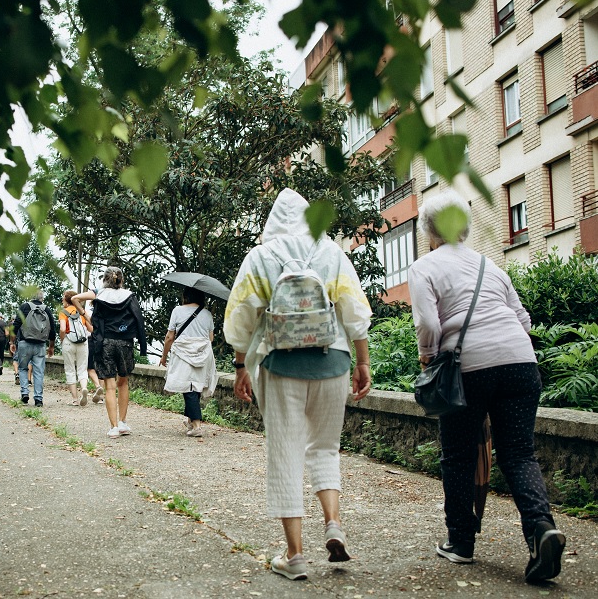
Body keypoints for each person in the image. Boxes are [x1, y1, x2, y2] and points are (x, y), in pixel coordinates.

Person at [407, 190, 565, 583]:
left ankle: (460, 543)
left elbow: (428, 324)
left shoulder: (425, 267)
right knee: (519, 454)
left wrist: (429, 358)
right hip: (520, 363)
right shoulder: (490, 265)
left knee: (459, 455)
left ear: (429, 230)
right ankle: (541, 528)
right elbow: (523, 321)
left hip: (468, 368)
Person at [223, 188, 372, 581]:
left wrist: (240, 366)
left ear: (272, 222)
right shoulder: (331, 253)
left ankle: (295, 555)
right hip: (334, 360)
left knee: (285, 455)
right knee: (325, 448)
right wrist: (363, 362)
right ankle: (334, 522)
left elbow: (240, 320)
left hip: (281, 363)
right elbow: (355, 311)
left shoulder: (261, 256)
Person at [72, 267, 147, 438]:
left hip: (105, 342)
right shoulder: (129, 296)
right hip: (125, 342)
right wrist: (143, 346)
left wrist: (85, 314)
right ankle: (123, 423)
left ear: (105, 279)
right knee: (124, 383)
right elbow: (139, 320)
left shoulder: (99, 294)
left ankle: (113, 427)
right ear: (121, 280)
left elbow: (75, 298)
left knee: (110, 386)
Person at [160, 288, 217, 438]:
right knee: (195, 385)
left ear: (185, 296)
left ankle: (197, 424)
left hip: (182, 352)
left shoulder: (177, 311)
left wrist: (164, 356)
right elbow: (210, 338)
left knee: (188, 387)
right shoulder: (207, 314)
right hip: (203, 353)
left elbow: (169, 337)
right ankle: (191, 420)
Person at [9, 290, 56, 407]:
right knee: (39, 372)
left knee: (23, 368)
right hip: (40, 344)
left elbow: (16, 326)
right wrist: (51, 346)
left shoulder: (25, 307)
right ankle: (38, 399)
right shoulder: (46, 309)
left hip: (24, 342)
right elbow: (53, 329)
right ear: (42, 298)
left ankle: (24, 393)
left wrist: (12, 342)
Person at [59, 290, 92, 406]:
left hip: (69, 342)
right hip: (82, 343)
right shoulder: (81, 312)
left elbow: (63, 329)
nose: (62, 300)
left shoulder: (63, 312)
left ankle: (75, 399)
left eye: (63, 298)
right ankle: (84, 388)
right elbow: (91, 329)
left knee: (70, 370)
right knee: (82, 369)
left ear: (66, 300)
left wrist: (62, 338)